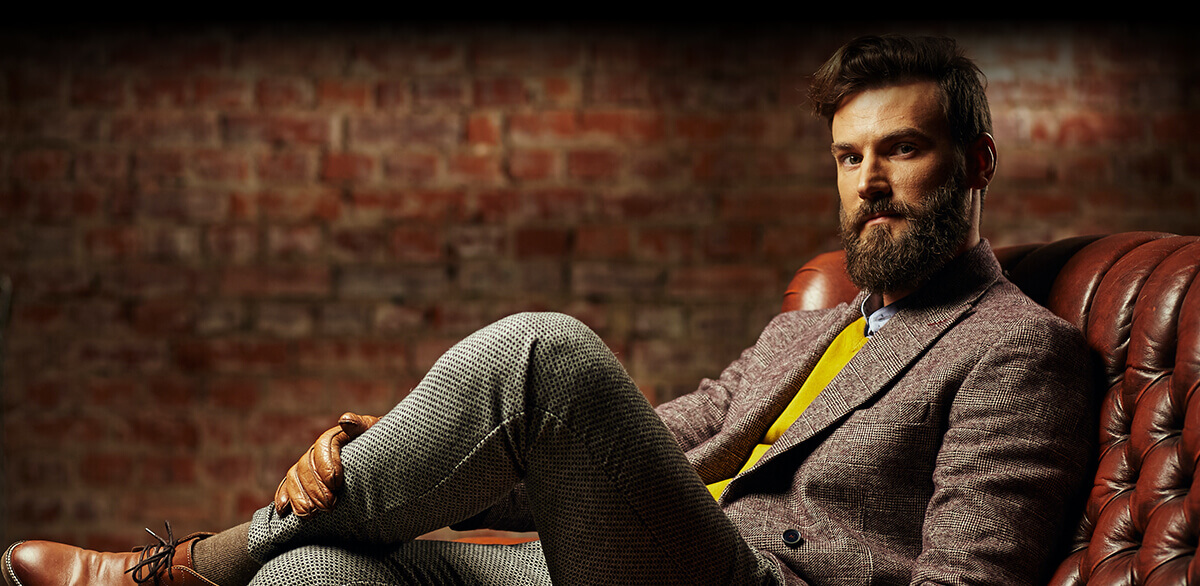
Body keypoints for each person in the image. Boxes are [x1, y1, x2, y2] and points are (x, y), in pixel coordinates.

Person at [2, 34, 1094, 586]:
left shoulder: (1021, 350)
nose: (869, 181)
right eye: (850, 157)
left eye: (902, 149)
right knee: (310, 572)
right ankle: (247, 557)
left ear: (977, 161)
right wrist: (406, 446)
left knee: (544, 351)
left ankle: (175, 569)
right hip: (613, 559)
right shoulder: (809, 323)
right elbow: (645, 440)